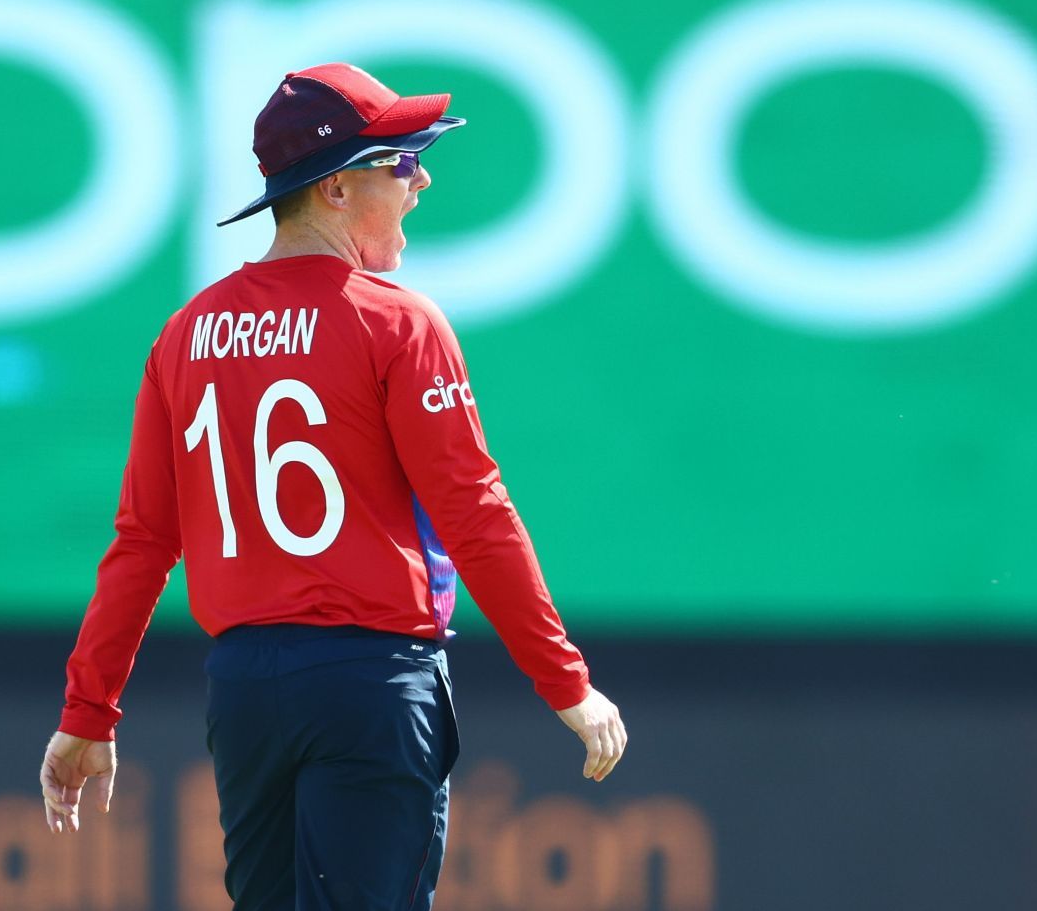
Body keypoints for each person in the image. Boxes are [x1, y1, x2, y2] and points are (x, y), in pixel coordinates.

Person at [39, 63, 627, 909]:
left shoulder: (188, 333)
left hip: (244, 691)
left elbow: (142, 541)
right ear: (338, 190)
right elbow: (475, 513)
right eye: (402, 162)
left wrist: (88, 709)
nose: (421, 180)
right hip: (370, 679)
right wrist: (566, 681)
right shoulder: (398, 321)